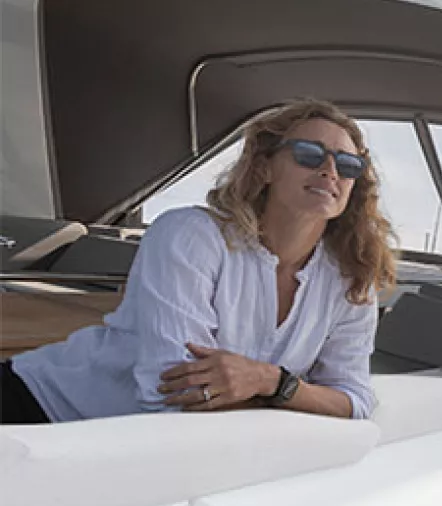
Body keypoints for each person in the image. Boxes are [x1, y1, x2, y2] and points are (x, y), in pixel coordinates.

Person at [1, 99, 396, 424]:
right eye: (310, 154)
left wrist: (271, 382)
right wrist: (297, 399)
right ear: (264, 167)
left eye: (348, 165)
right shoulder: (192, 236)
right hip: (44, 405)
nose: (330, 171)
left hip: (141, 446)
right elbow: (172, 396)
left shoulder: (352, 279)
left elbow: (356, 400)